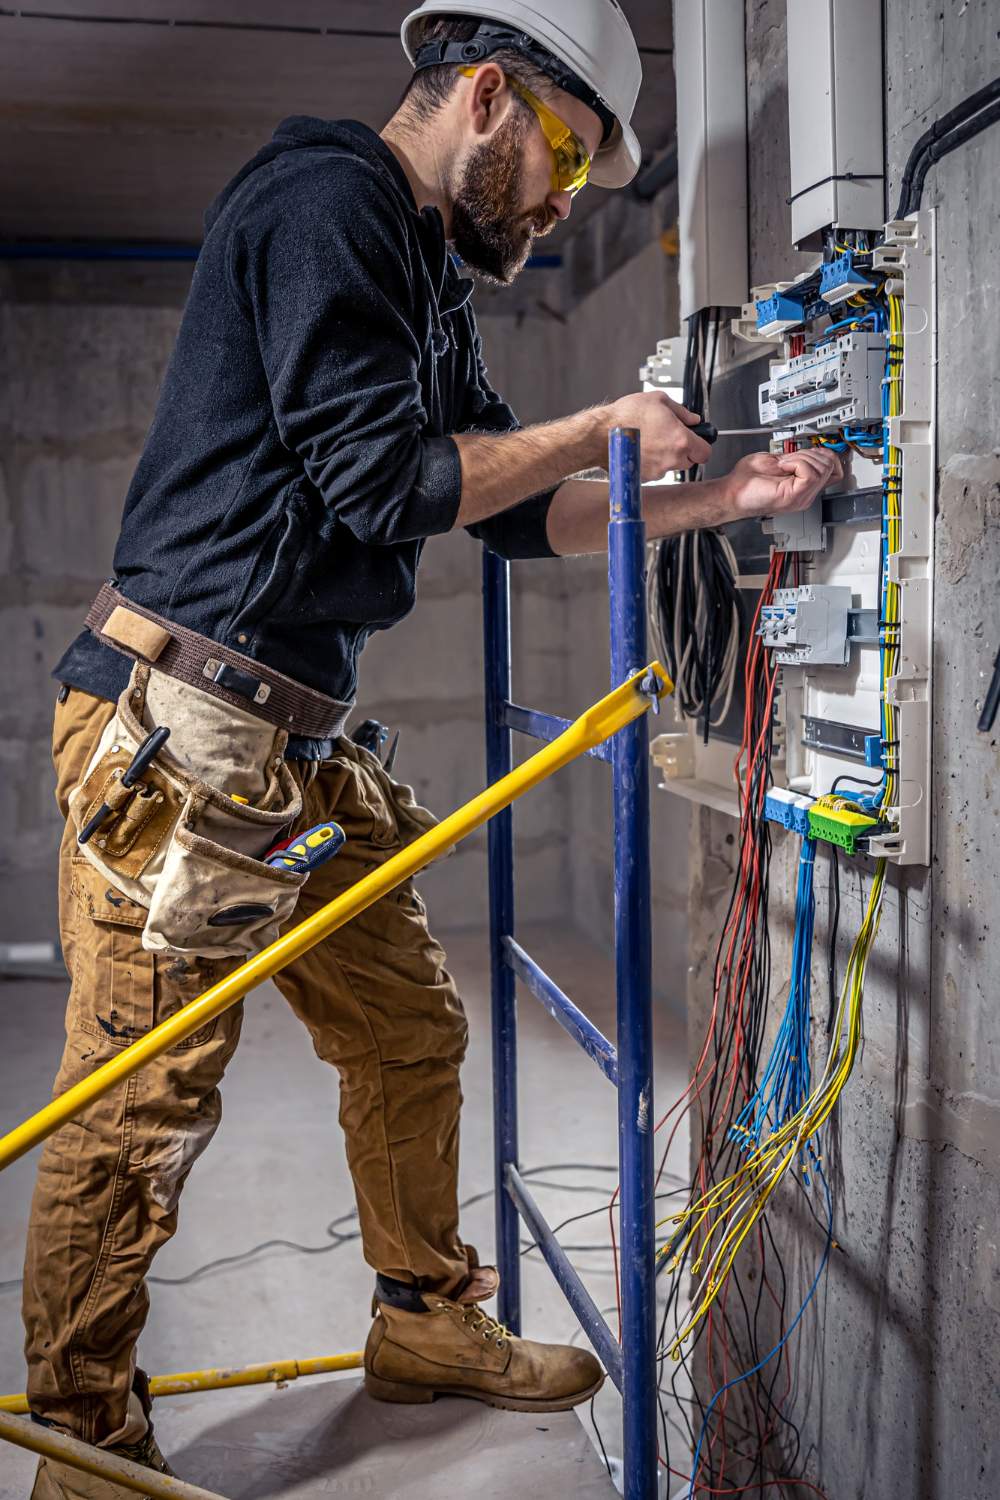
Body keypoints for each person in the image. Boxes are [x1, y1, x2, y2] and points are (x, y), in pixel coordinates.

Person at [23, 2, 841, 1493]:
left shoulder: (426, 274)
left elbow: (521, 511)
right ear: (484, 93)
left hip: (288, 737)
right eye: (566, 162)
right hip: (180, 725)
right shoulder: (327, 198)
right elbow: (387, 481)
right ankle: (81, 1443)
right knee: (139, 1096)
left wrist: (711, 502)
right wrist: (601, 414)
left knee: (408, 1027)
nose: (561, 200)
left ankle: (421, 1321)